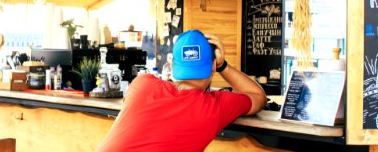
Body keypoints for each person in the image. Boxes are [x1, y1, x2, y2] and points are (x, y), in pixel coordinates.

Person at [95, 29, 266, 152]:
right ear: (213, 65)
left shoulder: (141, 84)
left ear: (173, 65)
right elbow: (258, 96)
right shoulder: (213, 107)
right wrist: (223, 66)